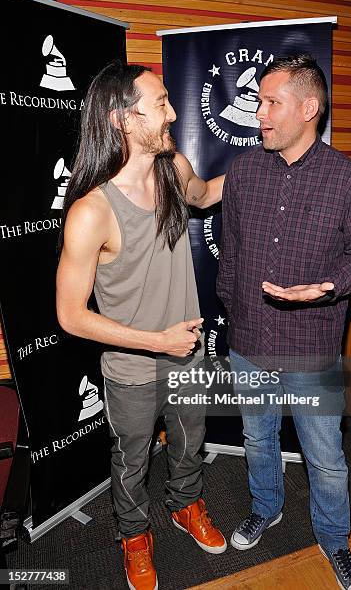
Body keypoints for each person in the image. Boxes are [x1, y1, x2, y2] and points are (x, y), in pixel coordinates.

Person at [56, 61, 226, 590]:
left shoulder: (173, 166)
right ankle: (134, 536)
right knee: (130, 461)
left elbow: (200, 195)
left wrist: (263, 163)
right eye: (160, 104)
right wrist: (157, 341)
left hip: (188, 355)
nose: (173, 112)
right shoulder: (91, 211)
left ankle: (186, 505)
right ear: (122, 119)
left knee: (189, 442)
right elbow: (70, 316)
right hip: (132, 365)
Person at [217, 54, 351, 590]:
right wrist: (233, 313)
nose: (259, 112)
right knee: (258, 439)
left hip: (311, 348)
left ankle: (335, 542)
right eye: (260, 101)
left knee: (326, 458)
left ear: (308, 108)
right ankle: (266, 509)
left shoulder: (348, 179)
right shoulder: (242, 172)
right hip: (248, 342)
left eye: (271, 103)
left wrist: (328, 287)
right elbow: (231, 254)